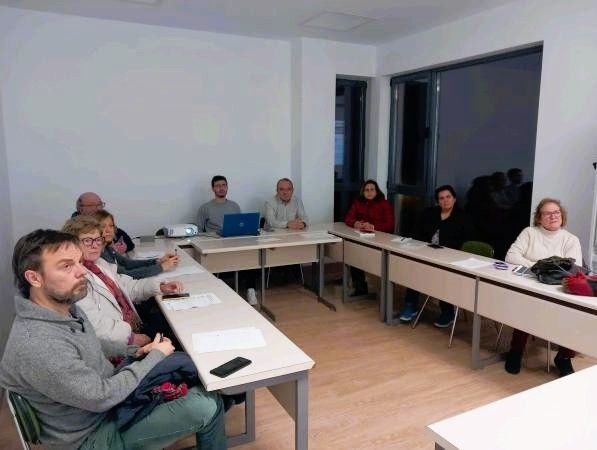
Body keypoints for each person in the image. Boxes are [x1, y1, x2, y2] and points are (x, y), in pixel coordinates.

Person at [0, 229, 226, 449]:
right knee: (206, 404)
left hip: (102, 410)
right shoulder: (38, 343)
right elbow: (101, 397)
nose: (82, 272)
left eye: (79, 262)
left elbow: (92, 348)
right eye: (67, 266)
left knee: (196, 376)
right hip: (92, 435)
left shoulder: (64, 309)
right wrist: (154, 356)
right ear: (34, 278)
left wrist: (135, 352)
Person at [63, 215, 182, 352]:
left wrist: (159, 287)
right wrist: (131, 338)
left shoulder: (100, 264)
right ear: (71, 245)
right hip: (118, 345)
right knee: (178, 346)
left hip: (132, 327)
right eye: (87, 240)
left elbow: (127, 286)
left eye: (97, 239)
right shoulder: (75, 280)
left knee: (176, 329)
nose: (95, 245)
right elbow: (96, 326)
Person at [504, 198, 582, 377]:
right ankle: (516, 352)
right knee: (526, 308)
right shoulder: (530, 232)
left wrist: (536, 267)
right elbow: (511, 256)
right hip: (530, 286)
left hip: (559, 289)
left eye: (556, 212)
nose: (553, 216)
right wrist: (538, 267)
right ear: (539, 218)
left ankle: (564, 357)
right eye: (547, 213)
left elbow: (569, 269)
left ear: (562, 216)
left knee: (573, 314)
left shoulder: (570, 239)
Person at [399, 185, 475, 327]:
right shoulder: (429, 213)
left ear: (454, 199)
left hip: (451, 259)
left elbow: (466, 243)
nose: (445, 201)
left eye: (448, 197)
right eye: (441, 198)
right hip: (426, 254)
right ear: (437, 201)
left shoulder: (463, 217)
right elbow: (417, 233)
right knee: (414, 268)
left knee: (444, 275)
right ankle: (411, 304)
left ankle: (447, 311)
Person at [94, 210, 179, 279]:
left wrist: (158, 261)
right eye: (103, 226)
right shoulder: (99, 255)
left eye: (111, 226)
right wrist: (162, 267)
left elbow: (128, 263)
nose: (108, 230)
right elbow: (128, 274)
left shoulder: (107, 248)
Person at [344, 180, 394, 296]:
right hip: (363, 238)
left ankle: (386, 292)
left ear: (377, 191)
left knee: (375, 262)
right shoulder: (358, 203)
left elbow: (390, 225)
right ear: (363, 192)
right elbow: (348, 218)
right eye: (367, 190)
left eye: (372, 189)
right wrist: (355, 223)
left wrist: (373, 227)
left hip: (381, 240)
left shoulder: (384, 203)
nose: (369, 192)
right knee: (354, 256)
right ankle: (360, 288)